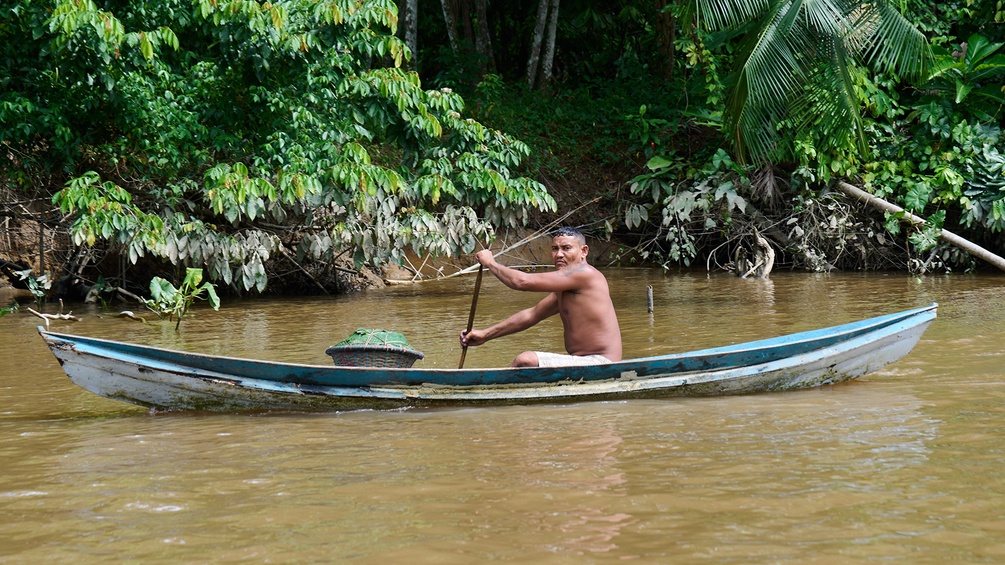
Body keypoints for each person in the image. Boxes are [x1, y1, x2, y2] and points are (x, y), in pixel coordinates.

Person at [459, 227, 622, 367]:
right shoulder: (566, 288)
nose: (559, 254)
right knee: (526, 361)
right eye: (554, 249)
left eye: (566, 248)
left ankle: (494, 393)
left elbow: (522, 281)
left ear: (583, 251)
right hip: (581, 361)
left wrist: (491, 263)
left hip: (600, 363)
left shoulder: (584, 274)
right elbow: (531, 315)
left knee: (525, 360)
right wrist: (484, 335)